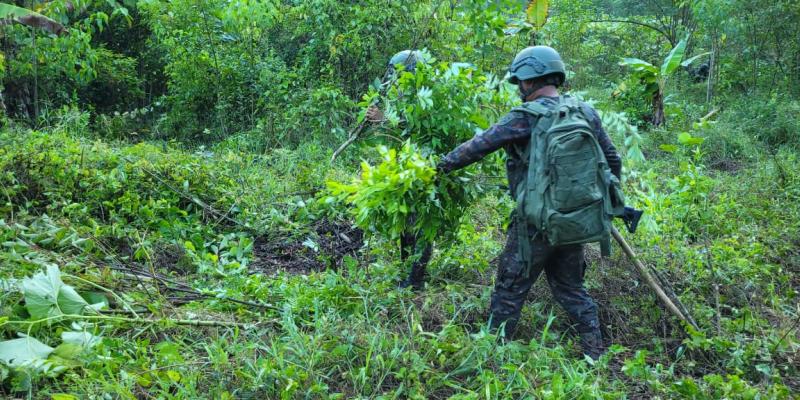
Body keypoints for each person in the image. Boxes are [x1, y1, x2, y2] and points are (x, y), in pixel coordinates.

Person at [436, 46, 622, 360]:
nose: (520, 88)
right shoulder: (584, 111)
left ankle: (492, 355)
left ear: (530, 79)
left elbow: (478, 146)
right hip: (573, 222)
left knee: (509, 289)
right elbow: (612, 161)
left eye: (520, 81)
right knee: (571, 288)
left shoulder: (525, 116)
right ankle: (596, 354)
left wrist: (439, 167)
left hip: (534, 224)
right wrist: (602, 206)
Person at [365, 50, 433, 290]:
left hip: (423, 170)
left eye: (397, 73)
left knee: (420, 225)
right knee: (405, 224)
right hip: (404, 168)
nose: (393, 79)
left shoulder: (426, 97)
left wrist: (384, 120)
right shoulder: (402, 97)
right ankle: (407, 272)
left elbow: (416, 131)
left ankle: (416, 280)